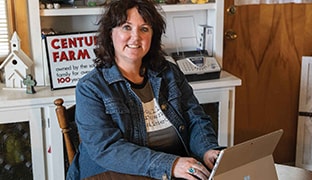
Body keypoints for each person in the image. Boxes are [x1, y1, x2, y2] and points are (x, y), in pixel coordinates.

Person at [67, 0, 221, 179]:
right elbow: (106, 149)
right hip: (112, 175)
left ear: (153, 36)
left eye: (144, 29)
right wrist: (170, 164)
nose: (136, 37)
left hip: (171, 172)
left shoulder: (169, 73)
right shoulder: (90, 88)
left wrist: (207, 150)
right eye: (126, 27)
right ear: (110, 34)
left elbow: (196, 118)